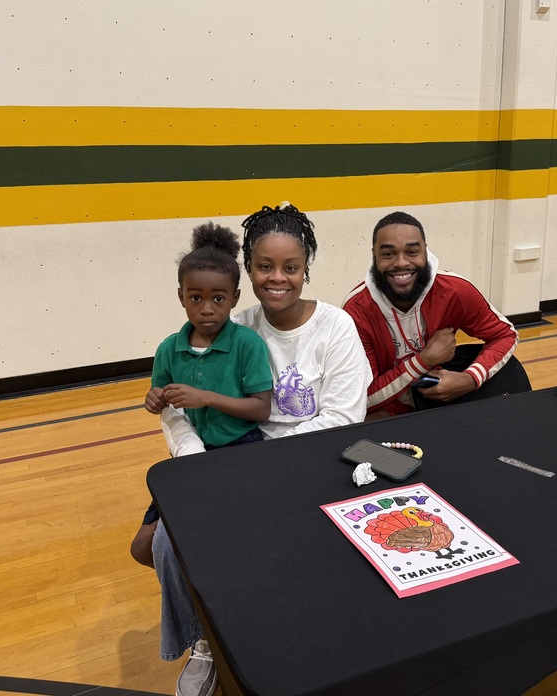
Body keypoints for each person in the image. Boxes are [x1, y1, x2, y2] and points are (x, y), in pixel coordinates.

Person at [148, 202, 371, 696]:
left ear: (307, 266)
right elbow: (176, 403)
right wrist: (191, 455)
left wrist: (262, 464)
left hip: (311, 461)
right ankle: (205, 641)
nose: (277, 278)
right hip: (231, 460)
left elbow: (341, 418)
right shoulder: (230, 324)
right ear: (247, 268)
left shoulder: (335, 328)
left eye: (290, 267)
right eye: (264, 266)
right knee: (163, 543)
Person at [129, 222, 273, 566]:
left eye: (218, 299)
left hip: (243, 446)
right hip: (194, 451)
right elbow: (160, 395)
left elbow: (261, 410)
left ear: (235, 298)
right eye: (196, 298)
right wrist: (154, 399)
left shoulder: (246, 344)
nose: (207, 308)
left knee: (242, 529)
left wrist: (206, 398)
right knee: (142, 548)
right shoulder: (169, 349)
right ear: (181, 296)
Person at [342, 211, 522, 416]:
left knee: (509, 376)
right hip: (387, 409)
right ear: (374, 256)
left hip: (438, 398)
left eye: (412, 252)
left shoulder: (454, 290)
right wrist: (424, 360)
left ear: (425, 252)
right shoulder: (356, 311)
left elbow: (505, 335)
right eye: (388, 254)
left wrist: (470, 379)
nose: (401, 263)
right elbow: (361, 398)